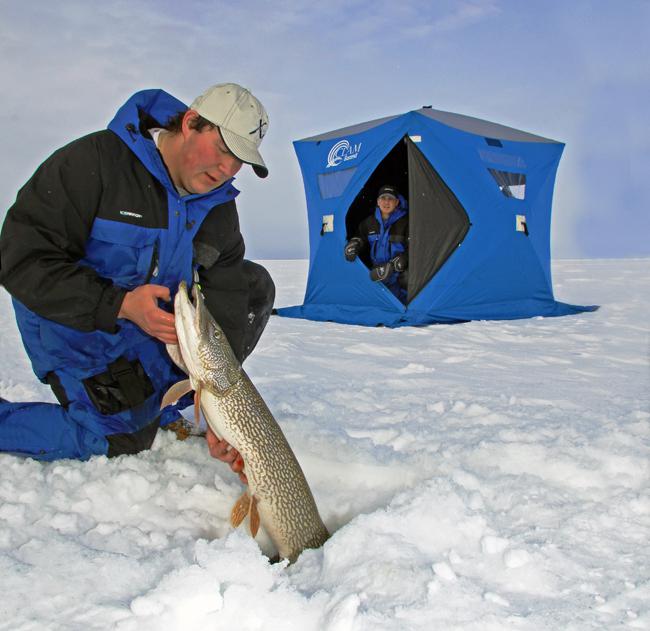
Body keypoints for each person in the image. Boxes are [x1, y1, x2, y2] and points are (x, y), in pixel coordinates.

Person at [0, 83, 273, 477]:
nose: (227, 170)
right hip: (78, 327)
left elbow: (227, 287)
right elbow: (20, 257)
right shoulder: (94, 163)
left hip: (152, 329)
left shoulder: (217, 204)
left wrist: (216, 408)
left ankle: (156, 404)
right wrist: (120, 305)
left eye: (240, 161)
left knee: (255, 288)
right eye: (225, 149)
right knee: (120, 440)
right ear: (192, 122)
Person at [344, 184, 409, 302]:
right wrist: (355, 243)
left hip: (398, 275)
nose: (386, 202)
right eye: (383, 198)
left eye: (390, 199)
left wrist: (399, 262)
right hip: (376, 274)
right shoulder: (369, 223)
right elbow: (360, 237)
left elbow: (415, 248)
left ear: (397, 202)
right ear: (378, 202)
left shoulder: (406, 223)